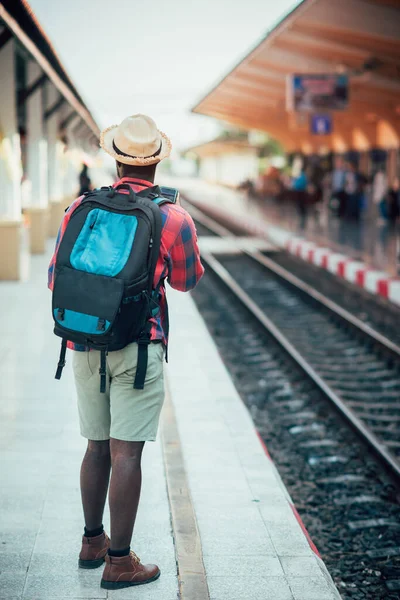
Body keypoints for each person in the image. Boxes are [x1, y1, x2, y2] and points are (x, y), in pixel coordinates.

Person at [48, 114, 204, 590]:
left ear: (115, 158)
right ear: (158, 162)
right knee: (126, 454)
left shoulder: (80, 207)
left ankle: (92, 541)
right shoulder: (172, 216)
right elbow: (185, 281)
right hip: (138, 349)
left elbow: (56, 276)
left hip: (84, 341)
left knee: (95, 446)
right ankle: (119, 562)